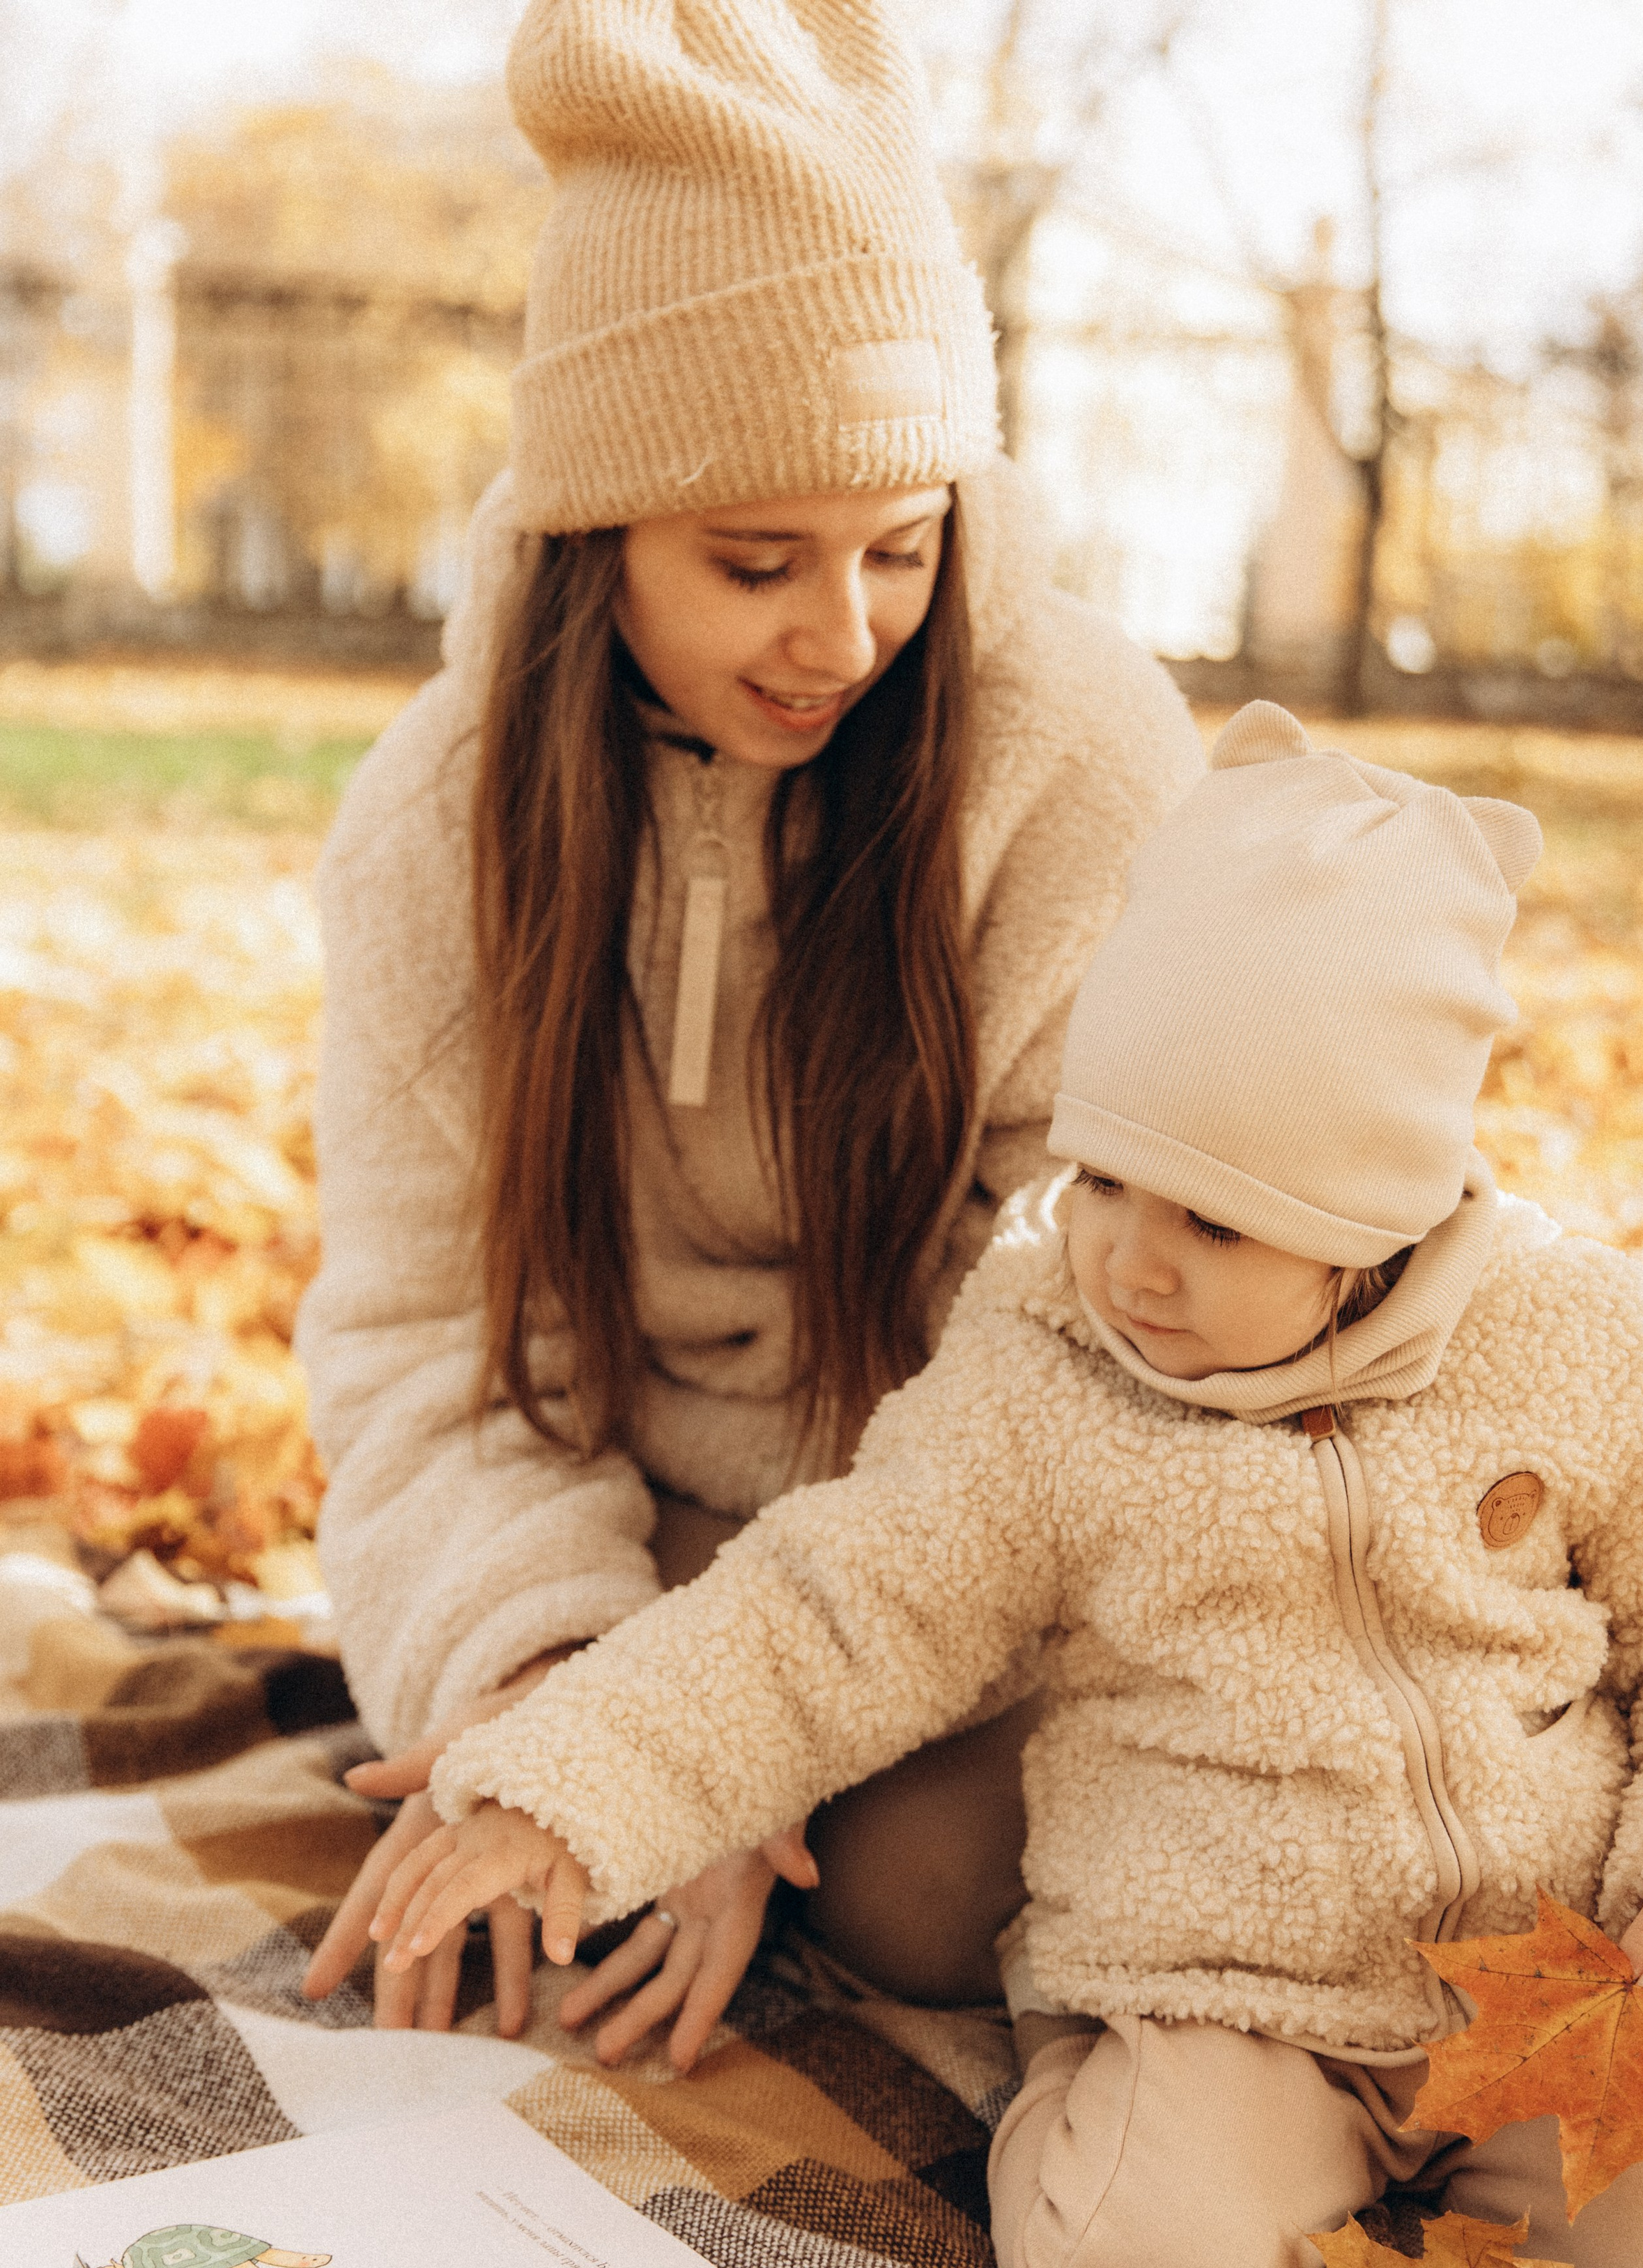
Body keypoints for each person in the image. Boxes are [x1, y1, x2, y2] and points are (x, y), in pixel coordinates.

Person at [370, 701, 1643, 2268]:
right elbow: (828, 1606)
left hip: (1544, 1987)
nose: (1133, 1261)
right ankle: (1090, 2068)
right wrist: (563, 1787)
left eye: (1212, 1219)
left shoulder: (1583, 1345)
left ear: (1375, 1220)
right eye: (1104, 1179)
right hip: (1224, 1985)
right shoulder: (1042, 1375)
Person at [295, 0, 1203, 2050]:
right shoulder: (435, 827)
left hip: (976, 1536)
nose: (846, 636)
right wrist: (549, 1699)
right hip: (637, 1504)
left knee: (925, 1897)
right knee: (527, 1918)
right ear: (591, 532)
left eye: (901, 546)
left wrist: (718, 1731)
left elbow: (1079, 1341)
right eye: (754, 561)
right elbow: (429, 1344)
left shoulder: (1074, 759)